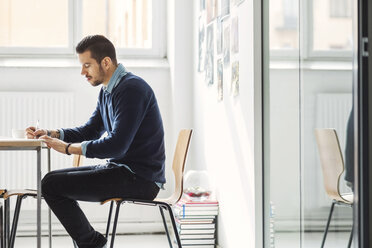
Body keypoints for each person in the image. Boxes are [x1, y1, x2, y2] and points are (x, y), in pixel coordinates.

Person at [25, 35, 166, 248]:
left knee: (51, 185)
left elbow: (117, 145)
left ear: (106, 62)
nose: (83, 72)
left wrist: (69, 149)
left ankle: (91, 244)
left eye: (87, 65)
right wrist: (53, 133)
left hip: (140, 178)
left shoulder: (132, 89)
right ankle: (92, 243)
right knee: (49, 182)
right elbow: (91, 130)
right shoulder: (108, 91)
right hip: (121, 169)